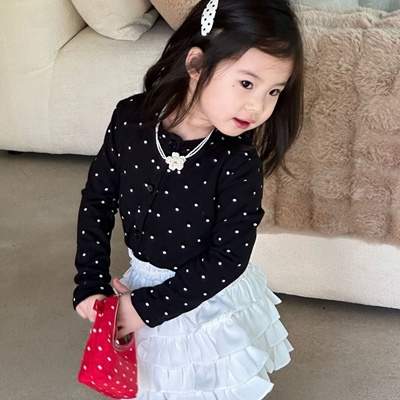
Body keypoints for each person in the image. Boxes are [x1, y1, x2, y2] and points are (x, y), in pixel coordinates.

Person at [73, 0, 304, 398]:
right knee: (158, 383)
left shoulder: (237, 161)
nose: (258, 107)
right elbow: (97, 201)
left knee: (207, 385)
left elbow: (227, 258)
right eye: (246, 84)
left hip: (206, 294)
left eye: (273, 92)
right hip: (143, 282)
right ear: (196, 64)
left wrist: (144, 309)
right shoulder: (129, 119)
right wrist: (89, 282)